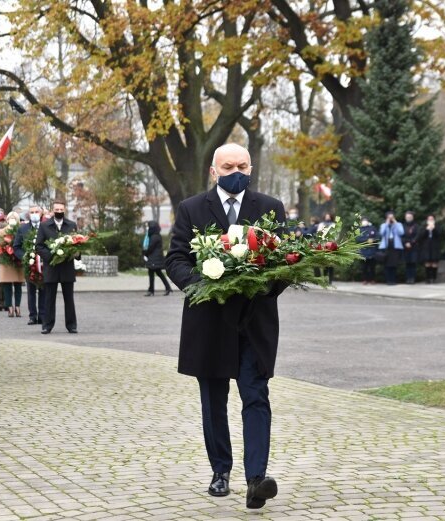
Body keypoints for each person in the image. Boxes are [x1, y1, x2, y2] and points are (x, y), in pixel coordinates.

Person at [165, 143, 285, 510]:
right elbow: (175, 259)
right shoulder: (191, 209)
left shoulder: (270, 208)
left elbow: (284, 260)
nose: (236, 171)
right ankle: (221, 472)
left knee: (255, 395)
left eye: (242, 165)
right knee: (213, 401)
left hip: (255, 321)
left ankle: (255, 479)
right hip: (210, 321)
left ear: (251, 168)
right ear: (214, 171)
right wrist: (200, 284)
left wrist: (264, 284)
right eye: (228, 165)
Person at [35, 199, 78, 334]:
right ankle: (47, 325)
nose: (59, 212)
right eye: (56, 210)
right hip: (51, 267)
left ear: (64, 210)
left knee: (69, 298)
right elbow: (39, 246)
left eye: (61, 210)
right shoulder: (44, 226)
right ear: (52, 210)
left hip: (67, 267)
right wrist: (51, 256)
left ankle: (71, 325)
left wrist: (72, 253)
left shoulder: (71, 225)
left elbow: (77, 243)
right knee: (49, 298)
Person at [14, 205, 46, 325]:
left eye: (36, 211)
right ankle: (32, 315)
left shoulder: (46, 227)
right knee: (31, 290)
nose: (34, 214)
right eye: (32, 212)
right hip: (29, 265)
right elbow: (16, 247)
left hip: (43, 264)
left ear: (41, 213)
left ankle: (42, 315)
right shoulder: (22, 229)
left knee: (43, 290)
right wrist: (25, 257)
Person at [0, 211, 25, 317]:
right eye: (10, 218)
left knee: (18, 284)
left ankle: (17, 307)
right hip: (6, 261)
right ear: (7, 220)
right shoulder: (2, 231)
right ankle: (9, 307)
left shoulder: (21, 230)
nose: (12, 220)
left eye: (15, 218)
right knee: (7, 285)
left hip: (17, 260)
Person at [142, 220, 172, 296]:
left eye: (149, 226)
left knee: (153, 274)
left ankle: (151, 291)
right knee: (158, 274)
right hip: (155, 258)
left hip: (154, 258)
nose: (148, 228)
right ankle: (167, 288)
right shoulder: (156, 235)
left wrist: (145, 252)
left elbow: (151, 247)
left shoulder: (154, 236)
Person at [378, 210, 404, 285]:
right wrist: (387, 223)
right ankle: (388, 280)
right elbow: (381, 233)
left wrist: (395, 222)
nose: (390, 218)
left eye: (392, 217)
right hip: (386, 246)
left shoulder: (398, 224)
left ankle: (393, 280)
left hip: (395, 246)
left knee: (394, 264)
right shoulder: (384, 225)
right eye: (389, 217)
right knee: (387, 265)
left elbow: (401, 232)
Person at [417, 215, 443, 283]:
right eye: (429, 219)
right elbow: (420, 236)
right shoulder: (424, 227)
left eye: (432, 219)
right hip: (426, 247)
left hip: (435, 247)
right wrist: (427, 229)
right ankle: (428, 278)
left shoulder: (437, 226)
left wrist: (433, 229)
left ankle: (433, 278)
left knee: (434, 262)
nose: (430, 220)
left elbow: (439, 235)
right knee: (427, 262)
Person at [356, 216, 378, 284]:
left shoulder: (373, 228)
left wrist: (373, 240)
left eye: (366, 220)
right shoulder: (359, 229)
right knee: (364, 267)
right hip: (363, 251)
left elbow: (377, 237)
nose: (364, 222)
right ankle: (365, 279)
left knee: (372, 267)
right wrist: (366, 240)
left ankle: (372, 279)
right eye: (363, 220)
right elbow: (357, 239)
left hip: (372, 250)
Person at [402, 211, 419, 284]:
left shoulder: (416, 226)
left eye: (410, 217)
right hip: (405, 247)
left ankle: (413, 278)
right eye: (407, 217)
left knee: (413, 263)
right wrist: (405, 243)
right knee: (407, 263)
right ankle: (408, 278)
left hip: (413, 247)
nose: (408, 218)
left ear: (412, 217)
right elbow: (401, 235)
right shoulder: (402, 226)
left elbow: (417, 236)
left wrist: (411, 243)